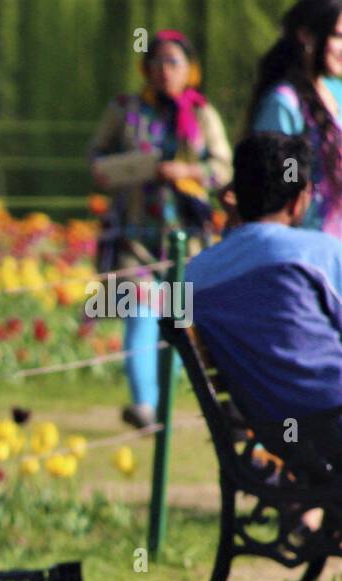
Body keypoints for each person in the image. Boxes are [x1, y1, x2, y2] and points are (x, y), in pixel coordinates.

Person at [89, 29, 232, 429]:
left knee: (178, 327)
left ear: (190, 70)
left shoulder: (202, 114)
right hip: (135, 236)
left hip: (186, 242)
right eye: (157, 62)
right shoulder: (125, 110)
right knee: (137, 313)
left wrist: (185, 172)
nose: (164, 71)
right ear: (145, 67)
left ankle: (171, 407)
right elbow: (97, 159)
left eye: (174, 62)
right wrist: (130, 167)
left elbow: (223, 169)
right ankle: (145, 406)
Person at [187, 132, 342, 471]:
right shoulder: (317, 252)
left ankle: (315, 513)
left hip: (281, 435)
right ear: (298, 200)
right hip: (332, 421)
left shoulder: (198, 273)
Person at [249, 0, 342, 238]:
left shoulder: (335, 92)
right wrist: (297, 181)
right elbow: (276, 182)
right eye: (337, 36)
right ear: (306, 35)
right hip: (304, 249)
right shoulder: (284, 102)